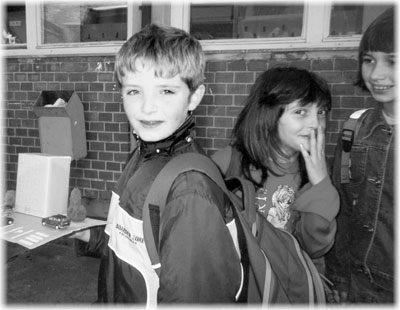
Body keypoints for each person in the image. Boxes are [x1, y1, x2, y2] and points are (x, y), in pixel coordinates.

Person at [72, 24, 242, 305]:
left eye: (166, 91)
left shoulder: (188, 191)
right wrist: (86, 234)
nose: (147, 107)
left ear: (194, 97)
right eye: (134, 92)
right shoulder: (142, 156)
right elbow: (128, 250)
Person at [212, 67, 339, 259]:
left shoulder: (317, 171)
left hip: (287, 284)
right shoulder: (226, 163)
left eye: (321, 112)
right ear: (269, 114)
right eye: (301, 111)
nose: (316, 123)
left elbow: (314, 248)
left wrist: (320, 185)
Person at [325, 8, 396, 303]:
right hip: (360, 285)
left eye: (393, 61)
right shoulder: (355, 128)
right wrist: (340, 276)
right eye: (369, 60)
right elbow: (343, 209)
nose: (376, 74)